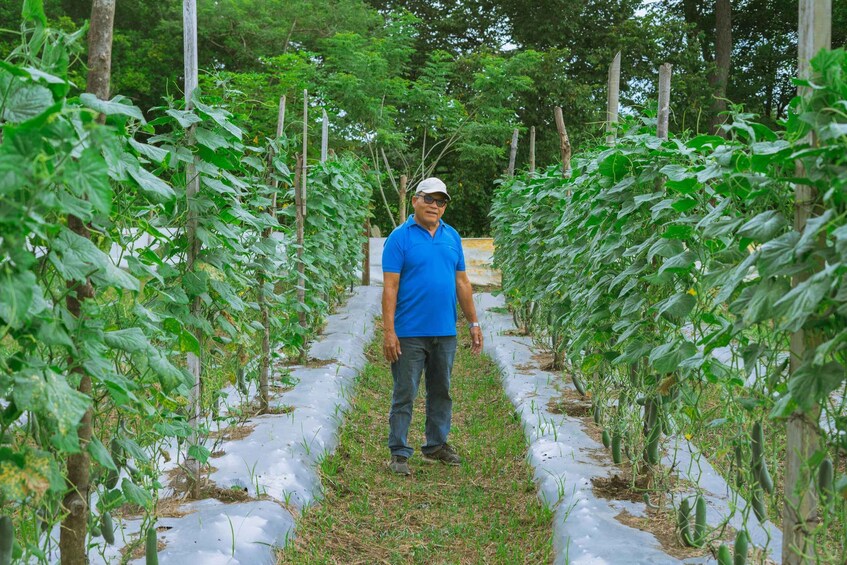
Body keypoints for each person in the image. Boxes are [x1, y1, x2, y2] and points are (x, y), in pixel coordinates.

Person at [381, 177, 483, 476]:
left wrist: (473, 323)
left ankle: (435, 445)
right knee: (405, 392)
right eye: (429, 199)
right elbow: (390, 287)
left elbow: (462, 282)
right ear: (415, 200)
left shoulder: (452, 236)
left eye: (441, 201)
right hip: (409, 332)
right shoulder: (400, 238)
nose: (435, 206)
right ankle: (399, 451)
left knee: (442, 390)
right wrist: (389, 331)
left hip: (445, 331)